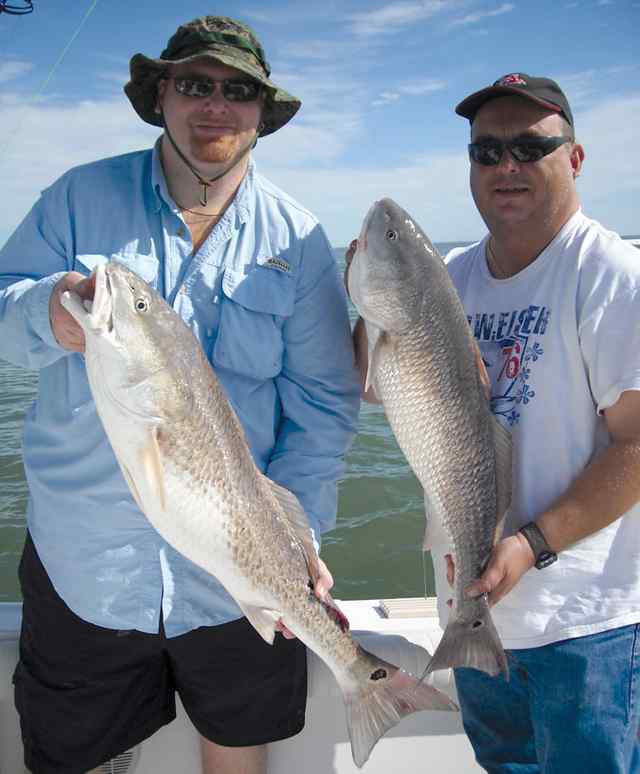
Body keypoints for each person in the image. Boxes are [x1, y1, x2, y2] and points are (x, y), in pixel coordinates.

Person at [0, 15, 359, 774]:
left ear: (265, 112)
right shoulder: (75, 198)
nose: (216, 106)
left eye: (239, 91)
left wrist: (298, 540)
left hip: (237, 579)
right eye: (195, 84)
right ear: (160, 94)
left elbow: (323, 408)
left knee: (237, 750)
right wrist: (47, 312)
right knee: (76, 758)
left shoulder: (298, 241)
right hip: (83, 565)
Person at [349, 73, 640, 773]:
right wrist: (367, 301)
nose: (505, 167)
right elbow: (378, 389)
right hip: (473, 611)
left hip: (587, 629)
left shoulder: (610, 275)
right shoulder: (449, 278)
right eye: (486, 152)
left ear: (574, 158)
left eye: (528, 147)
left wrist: (532, 543)